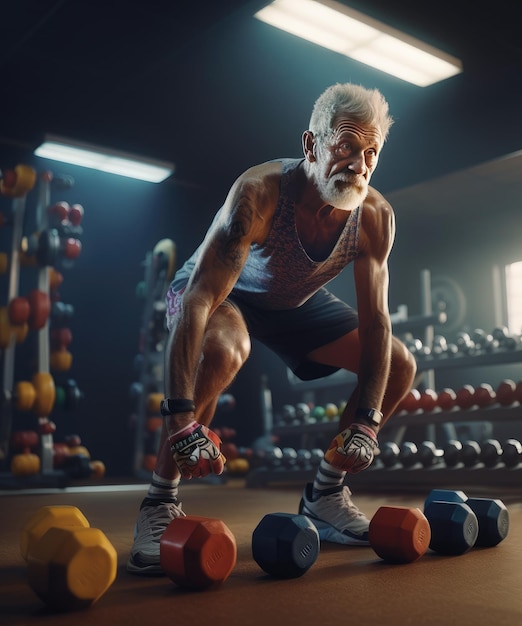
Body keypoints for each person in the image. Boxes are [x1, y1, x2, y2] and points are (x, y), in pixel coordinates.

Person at [127, 83, 417, 575]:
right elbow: (200, 298)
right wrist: (179, 418)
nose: (358, 164)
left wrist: (367, 421)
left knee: (400, 364)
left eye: (371, 153)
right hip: (222, 291)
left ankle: (325, 494)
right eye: (345, 146)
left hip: (293, 302)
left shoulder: (374, 217)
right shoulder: (259, 192)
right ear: (311, 146)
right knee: (223, 351)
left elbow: (376, 323)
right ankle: (159, 502)